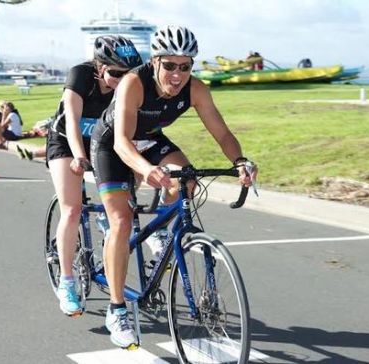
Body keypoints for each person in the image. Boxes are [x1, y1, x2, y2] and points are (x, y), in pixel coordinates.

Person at [90, 25, 258, 348]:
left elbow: (222, 134)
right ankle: (117, 309)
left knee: (188, 179)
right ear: (155, 62)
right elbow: (123, 143)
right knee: (122, 221)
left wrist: (239, 161)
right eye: (169, 65)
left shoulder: (195, 90)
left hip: (150, 139)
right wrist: (147, 170)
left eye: (185, 66)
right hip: (112, 145)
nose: (177, 74)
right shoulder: (133, 84)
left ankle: (162, 235)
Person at [46, 35, 142, 317]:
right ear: (99, 68)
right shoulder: (80, 76)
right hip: (66, 141)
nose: (121, 81)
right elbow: (72, 123)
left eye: (127, 75)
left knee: (127, 191)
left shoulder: (127, 86)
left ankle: (106, 222)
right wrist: (78, 156)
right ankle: (66, 283)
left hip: (102, 142)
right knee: (73, 209)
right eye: (114, 74)